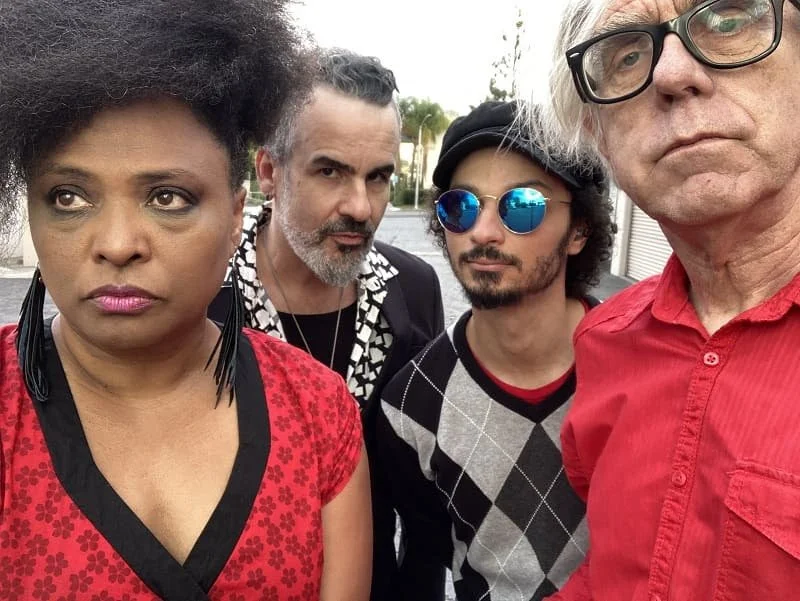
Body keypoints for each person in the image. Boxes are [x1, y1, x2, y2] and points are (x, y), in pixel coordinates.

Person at [0, 1, 372, 599]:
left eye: (167, 197)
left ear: (235, 212)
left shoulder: (318, 415)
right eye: (68, 197)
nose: (117, 244)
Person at [539, 0, 800, 599]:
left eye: (728, 19)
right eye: (626, 56)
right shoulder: (604, 341)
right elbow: (613, 573)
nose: (672, 73)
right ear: (597, 136)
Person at [210, 48, 445, 600]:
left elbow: (424, 505)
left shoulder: (412, 293)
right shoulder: (207, 299)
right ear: (269, 171)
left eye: (378, 177)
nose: (360, 207)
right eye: (330, 171)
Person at [376, 101, 615, 600]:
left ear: (579, 229)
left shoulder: (640, 368)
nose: (482, 232)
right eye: (460, 206)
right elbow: (425, 557)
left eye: (522, 205)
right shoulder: (412, 405)